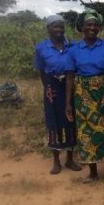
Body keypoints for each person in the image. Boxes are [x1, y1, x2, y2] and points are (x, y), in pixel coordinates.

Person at [65, 8, 104, 183]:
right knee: (86, 133)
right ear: (82, 27)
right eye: (88, 24)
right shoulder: (74, 49)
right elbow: (69, 77)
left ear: (99, 28)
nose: (92, 27)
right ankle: (93, 173)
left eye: (95, 25)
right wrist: (68, 103)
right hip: (82, 96)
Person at [34, 14, 81, 175]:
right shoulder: (41, 48)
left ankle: (69, 159)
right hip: (51, 89)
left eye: (61, 26)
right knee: (53, 122)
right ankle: (56, 161)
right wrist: (48, 88)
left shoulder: (72, 46)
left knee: (70, 120)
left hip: (70, 85)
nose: (59, 29)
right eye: (55, 26)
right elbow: (41, 71)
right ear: (48, 29)